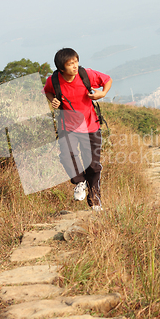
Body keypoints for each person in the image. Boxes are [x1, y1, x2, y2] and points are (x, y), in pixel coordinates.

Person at [43, 48, 112, 210]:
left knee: (93, 165)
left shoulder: (86, 75)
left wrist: (102, 93)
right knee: (67, 155)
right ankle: (80, 182)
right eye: (70, 64)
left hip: (91, 126)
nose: (75, 66)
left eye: (76, 62)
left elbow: (107, 79)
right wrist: (53, 101)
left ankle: (95, 198)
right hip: (68, 127)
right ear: (61, 69)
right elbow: (47, 91)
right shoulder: (53, 80)